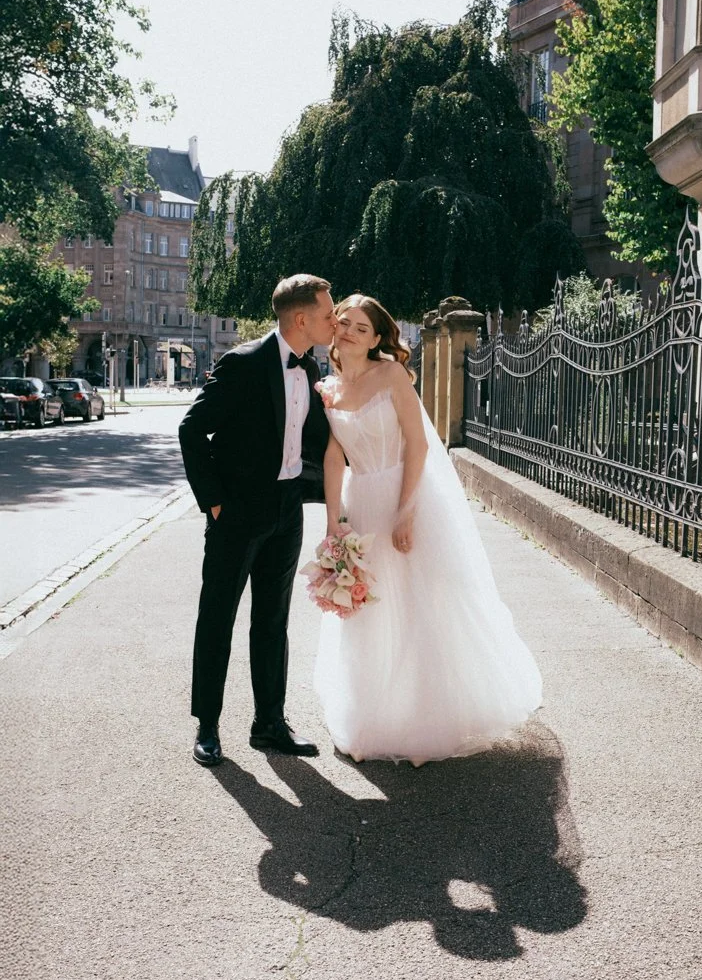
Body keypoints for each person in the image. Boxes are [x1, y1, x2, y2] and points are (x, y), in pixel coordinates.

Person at [314, 295, 542, 766]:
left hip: (403, 492)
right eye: (345, 323)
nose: (351, 332)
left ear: (378, 338)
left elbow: (418, 444)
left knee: (422, 604)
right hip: (360, 504)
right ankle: (374, 716)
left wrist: (406, 511)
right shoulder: (328, 389)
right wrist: (334, 520)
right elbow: (334, 457)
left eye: (362, 327)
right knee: (369, 609)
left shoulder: (392, 376)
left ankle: (425, 718)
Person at [179, 274, 337, 766]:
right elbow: (191, 430)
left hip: (287, 511)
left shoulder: (312, 367)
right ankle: (207, 725)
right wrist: (215, 502)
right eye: (329, 314)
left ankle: (269, 722)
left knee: (272, 620)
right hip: (237, 513)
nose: (334, 321)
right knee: (218, 617)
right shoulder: (243, 363)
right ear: (301, 317)